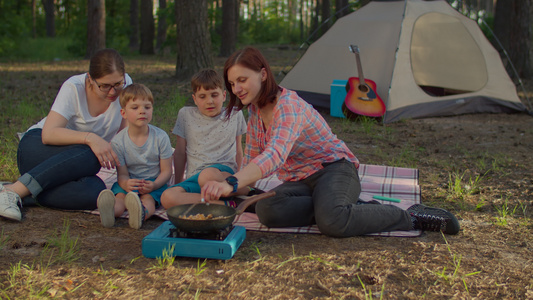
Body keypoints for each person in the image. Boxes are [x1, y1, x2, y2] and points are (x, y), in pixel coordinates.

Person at [200, 46, 460, 237]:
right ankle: (343, 205)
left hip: (334, 169)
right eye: (232, 83)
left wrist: (230, 183)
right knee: (267, 209)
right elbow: (254, 159)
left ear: (263, 74)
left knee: (333, 222)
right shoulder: (255, 111)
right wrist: (230, 189)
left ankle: (410, 216)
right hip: (300, 180)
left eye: (242, 80)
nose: (236, 89)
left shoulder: (288, 106)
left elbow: (275, 156)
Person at [0, 48, 132, 222]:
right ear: (90, 79)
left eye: (117, 84)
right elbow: (48, 134)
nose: (113, 92)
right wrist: (90, 138)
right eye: (104, 86)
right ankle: (13, 192)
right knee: (91, 154)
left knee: (98, 192)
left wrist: (127, 176)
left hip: (71, 166)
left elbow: (125, 136)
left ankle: (22, 192)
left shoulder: (126, 85)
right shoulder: (74, 87)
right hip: (38, 149)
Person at [160, 69, 248, 209]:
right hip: (195, 178)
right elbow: (180, 152)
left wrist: (239, 179)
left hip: (222, 176)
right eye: (202, 97)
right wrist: (178, 182)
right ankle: (229, 204)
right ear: (194, 99)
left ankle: (247, 191)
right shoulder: (185, 115)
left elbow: (239, 150)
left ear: (224, 95)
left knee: (207, 175)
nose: (210, 101)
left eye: (214, 95)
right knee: (167, 197)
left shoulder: (234, 114)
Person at [97, 83, 173, 229]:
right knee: (120, 197)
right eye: (135, 107)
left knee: (148, 200)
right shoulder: (118, 141)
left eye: (147, 107)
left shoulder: (161, 137)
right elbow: (122, 174)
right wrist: (126, 184)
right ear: (123, 113)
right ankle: (110, 212)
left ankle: (140, 213)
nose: (142, 111)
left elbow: (167, 171)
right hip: (130, 182)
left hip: (153, 183)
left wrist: (155, 185)